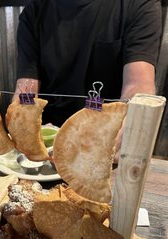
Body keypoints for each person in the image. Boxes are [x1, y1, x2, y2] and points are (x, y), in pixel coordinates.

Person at [13, 0, 163, 162]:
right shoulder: (34, 11)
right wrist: (23, 127)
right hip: (49, 145)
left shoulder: (137, 4)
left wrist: (123, 136)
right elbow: (26, 89)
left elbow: (138, 89)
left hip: (105, 144)